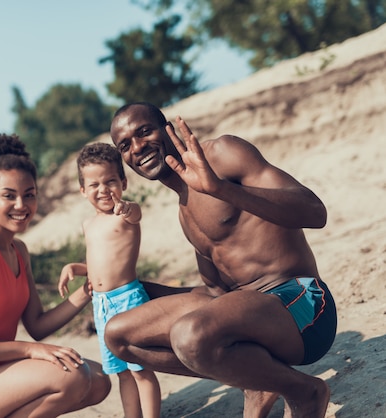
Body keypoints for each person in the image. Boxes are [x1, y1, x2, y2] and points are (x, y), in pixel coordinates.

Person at [105, 102, 337, 418]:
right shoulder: (185, 214)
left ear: (167, 128)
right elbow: (214, 296)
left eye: (144, 131)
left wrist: (220, 188)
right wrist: (139, 287)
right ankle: (256, 380)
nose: (137, 147)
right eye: (125, 145)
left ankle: (304, 392)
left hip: (303, 303)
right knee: (118, 335)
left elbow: (314, 211)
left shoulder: (223, 154)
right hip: (251, 311)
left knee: (189, 336)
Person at [0, 134, 111, 418]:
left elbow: (36, 325)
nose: (21, 205)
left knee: (98, 382)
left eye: (29, 194)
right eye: (9, 195)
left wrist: (87, 290)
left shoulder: (19, 250)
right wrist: (29, 351)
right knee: (74, 376)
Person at [58, 142, 161, 418]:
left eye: (110, 181)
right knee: (122, 373)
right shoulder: (88, 225)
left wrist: (126, 208)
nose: (102, 190)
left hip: (128, 299)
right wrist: (75, 268)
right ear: (82, 190)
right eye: (93, 185)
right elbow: (97, 264)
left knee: (140, 369)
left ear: (123, 182)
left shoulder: (125, 216)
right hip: (101, 306)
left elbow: (135, 212)